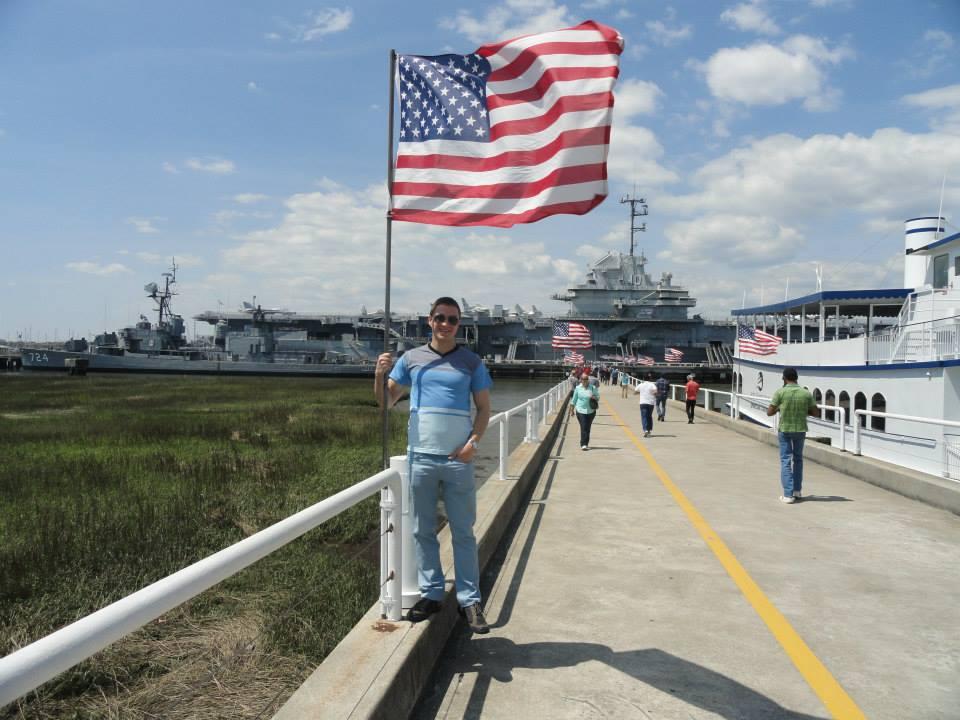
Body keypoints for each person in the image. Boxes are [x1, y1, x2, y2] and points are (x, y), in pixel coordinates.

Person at [375, 297, 493, 633]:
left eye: (452, 320)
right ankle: (432, 593)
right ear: (429, 320)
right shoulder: (411, 359)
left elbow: (484, 408)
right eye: (440, 318)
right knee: (421, 530)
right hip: (421, 457)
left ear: (459, 324)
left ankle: (470, 601)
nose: (445, 324)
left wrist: (473, 444)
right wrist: (378, 374)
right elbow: (386, 400)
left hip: (458, 459)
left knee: (463, 533)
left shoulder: (471, 362)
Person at [766, 367, 818, 504]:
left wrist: (779, 408)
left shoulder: (780, 392)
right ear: (797, 378)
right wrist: (803, 411)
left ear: (784, 378)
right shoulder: (806, 393)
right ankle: (797, 491)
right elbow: (815, 412)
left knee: (785, 460)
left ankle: (788, 494)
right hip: (800, 429)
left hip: (785, 430)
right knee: (798, 460)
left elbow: (769, 412)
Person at [569, 372, 600, 450]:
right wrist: (572, 410)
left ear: (588, 380)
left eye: (586, 379)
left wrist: (594, 397)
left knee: (587, 427)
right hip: (580, 411)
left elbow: (598, 397)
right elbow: (574, 400)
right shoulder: (578, 388)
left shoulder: (592, 387)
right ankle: (583, 444)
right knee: (584, 427)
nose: (585, 380)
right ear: (580, 380)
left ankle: (586, 442)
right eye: (583, 379)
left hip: (591, 411)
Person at [634, 372, 658, 437]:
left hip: (643, 402)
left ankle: (645, 430)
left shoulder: (641, 384)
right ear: (650, 378)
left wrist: (641, 392)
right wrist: (652, 394)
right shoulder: (652, 384)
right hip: (651, 402)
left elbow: (635, 392)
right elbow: (655, 392)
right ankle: (649, 430)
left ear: (643, 378)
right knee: (649, 416)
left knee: (644, 416)